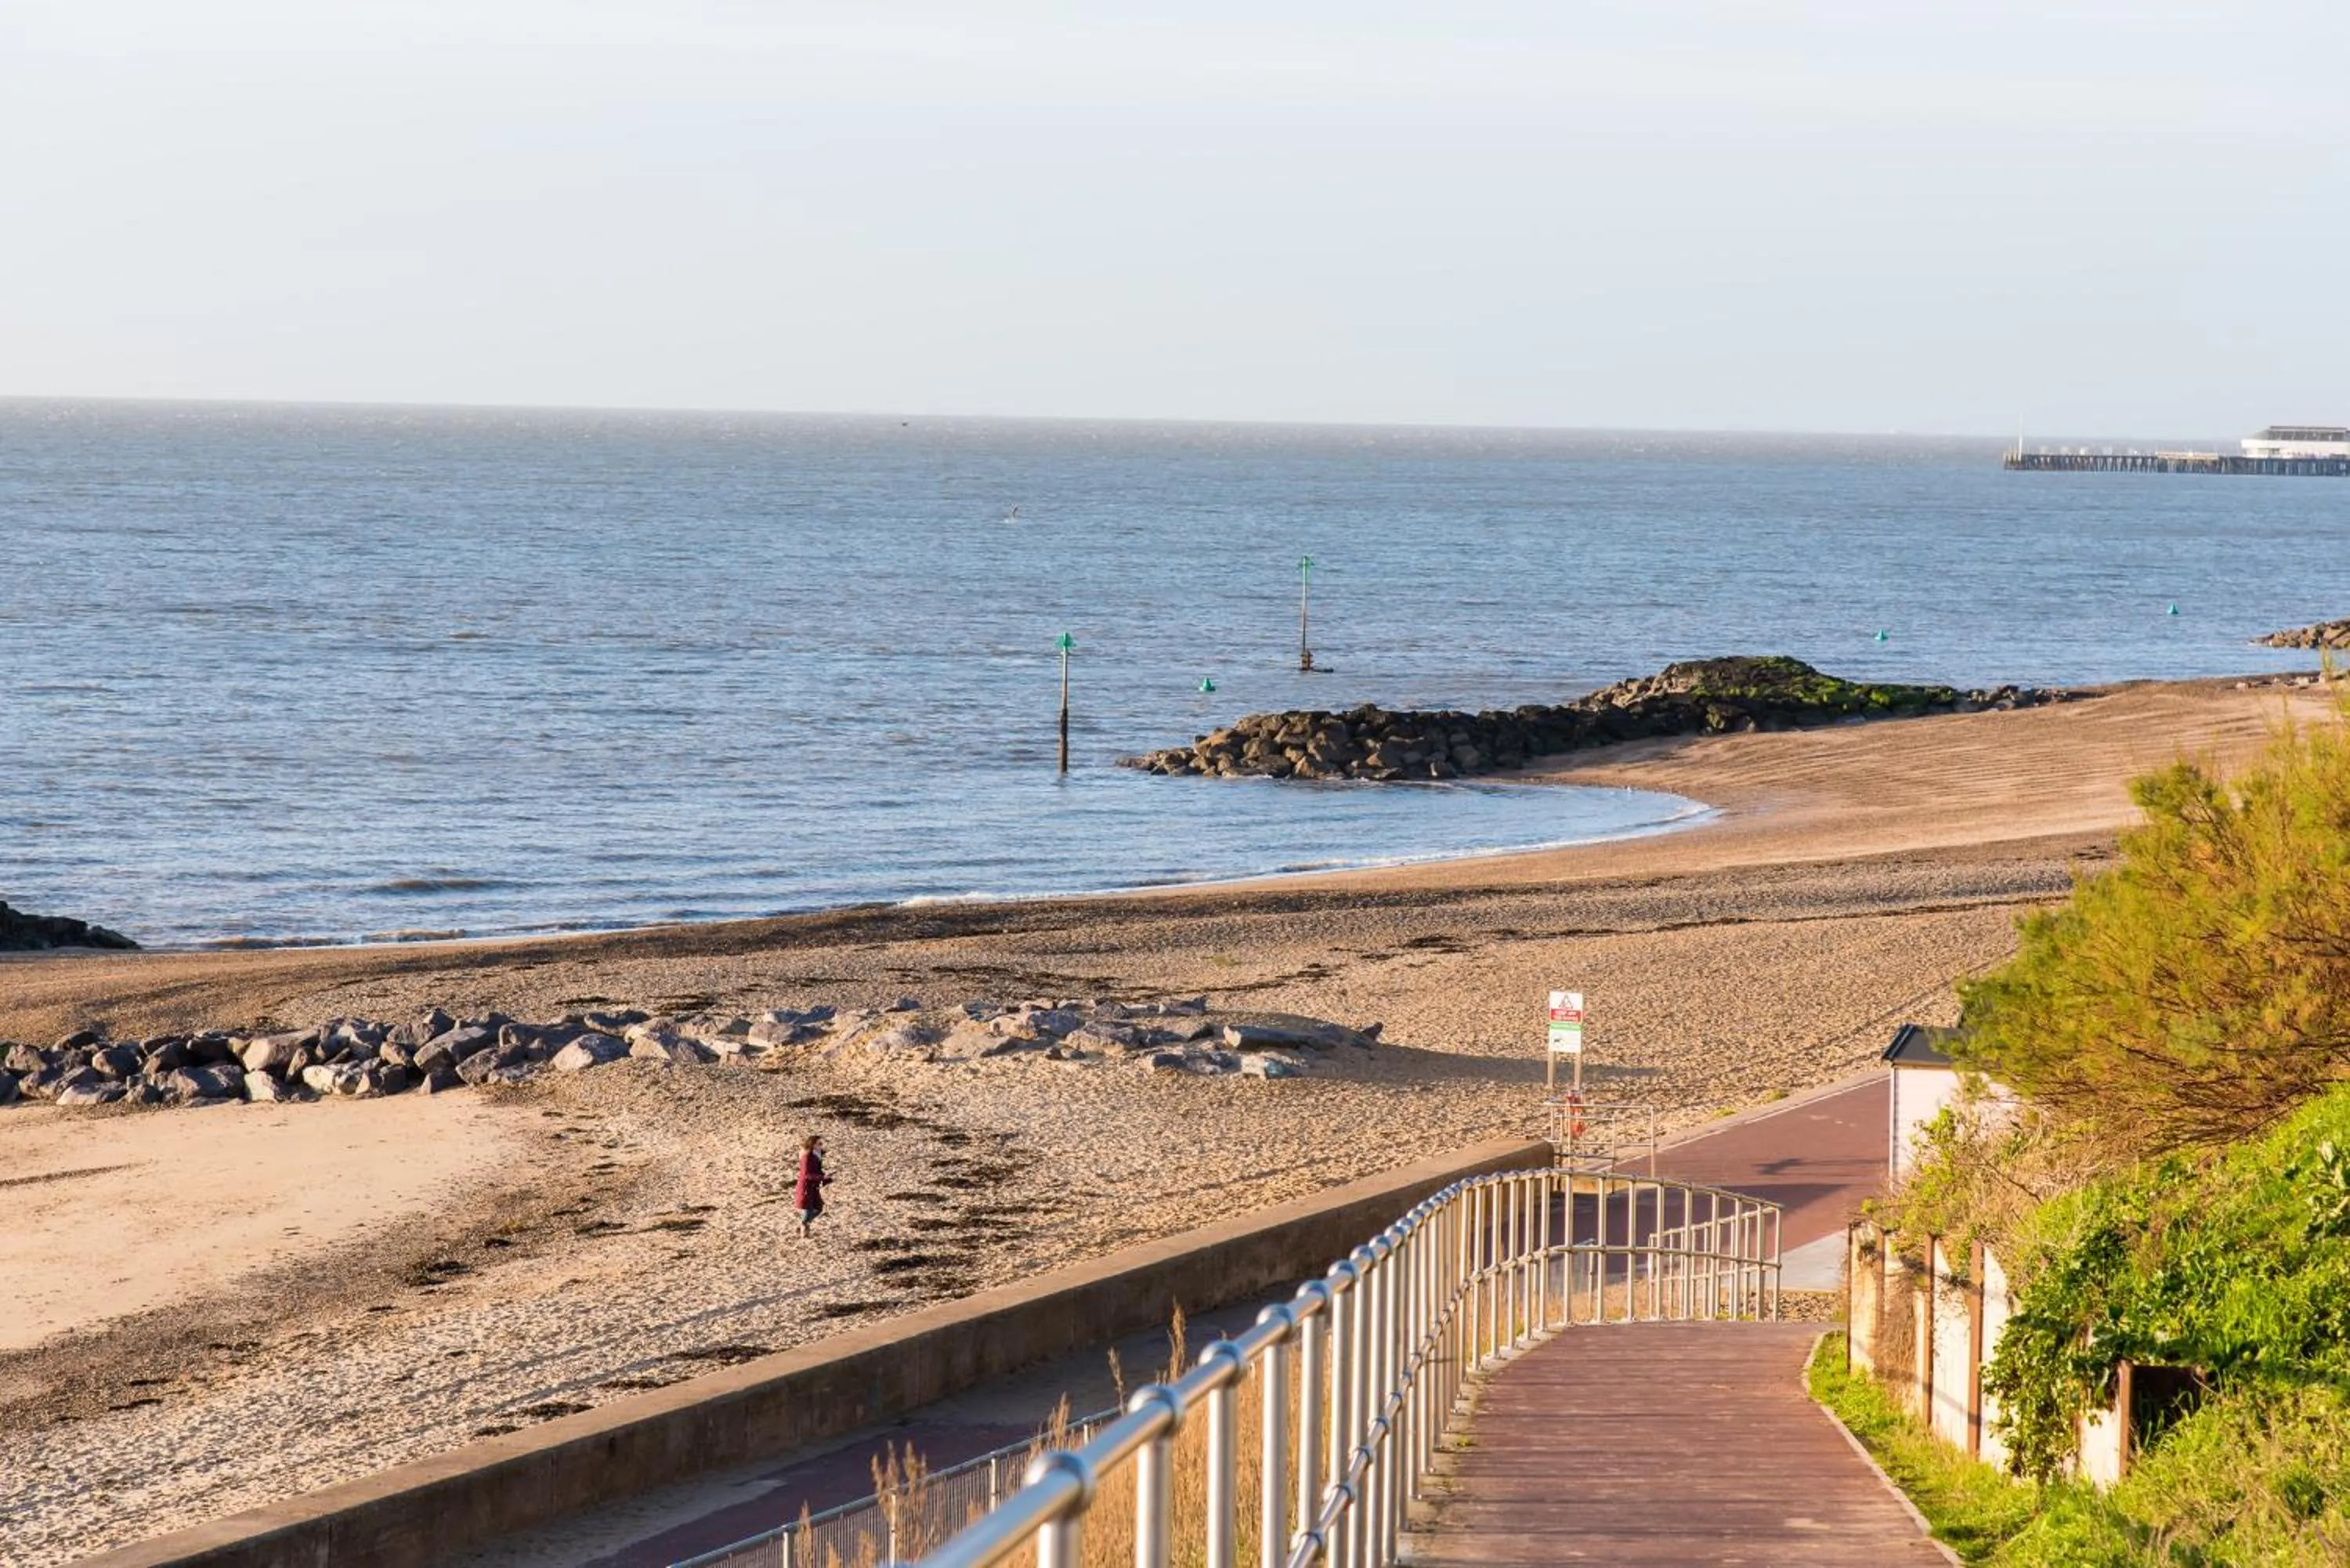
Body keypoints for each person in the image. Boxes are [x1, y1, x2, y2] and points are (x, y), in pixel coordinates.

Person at [794, 1133, 833, 1237]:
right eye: (819, 1144)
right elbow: (807, 1174)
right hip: (806, 1186)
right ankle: (804, 1230)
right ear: (813, 1145)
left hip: (813, 1186)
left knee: (818, 1208)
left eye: (821, 1144)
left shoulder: (816, 1156)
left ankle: (802, 1226)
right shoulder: (807, 1157)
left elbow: (816, 1172)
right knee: (808, 1209)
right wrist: (822, 1177)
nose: (821, 1146)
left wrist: (826, 1178)